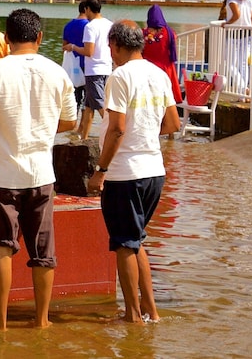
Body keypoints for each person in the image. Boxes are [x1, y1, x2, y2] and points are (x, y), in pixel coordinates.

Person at [0, 8, 77, 330]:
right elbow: (69, 121)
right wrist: (42, 128)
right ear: (39, 37)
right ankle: (42, 321)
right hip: (41, 174)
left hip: (1, 174)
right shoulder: (57, 72)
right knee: (43, 251)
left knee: (2, 245)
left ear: (7, 39)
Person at [86, 20, 180, 324]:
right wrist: (145, 134)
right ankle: (151, 311)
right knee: (135, 240)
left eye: (110, 48)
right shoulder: (159, 73)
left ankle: (133, 316)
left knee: (125, 244)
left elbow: (117, 129)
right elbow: (173, 124)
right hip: (154, 171)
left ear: (115, 46)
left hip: (125, 172)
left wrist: (100, 170)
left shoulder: (120, 76)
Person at [65, 0, 113, 138]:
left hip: (94, 70)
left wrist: (73, 47)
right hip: (106, 68)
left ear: (87, 9)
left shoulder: (90, 27)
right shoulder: (109, 24)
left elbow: (89, 52)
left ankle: (115, 129)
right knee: (88, 106)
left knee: (99, 103)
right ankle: (84, 137)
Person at [223, 0, 252, 96]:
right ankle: (244, 92)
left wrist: (227, 23)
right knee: (243, 63)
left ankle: (243, 88)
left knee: (230, 63)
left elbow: (236, 15)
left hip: (234, 32)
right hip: (247, 31)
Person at [141, 4, 182, 104]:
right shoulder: (170, 33)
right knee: (167, 99)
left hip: (148, 70)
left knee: (149, 99)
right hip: (166, 68)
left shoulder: (143, 34)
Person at [61, 2, 89, 110]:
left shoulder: (68, 25)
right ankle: (84, 120)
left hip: (73, 68)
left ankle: (73, 119)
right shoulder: (89, 26)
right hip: (88, 66)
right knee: (88, 102)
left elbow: (64, 47)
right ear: (87, 9)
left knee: (74, 99)